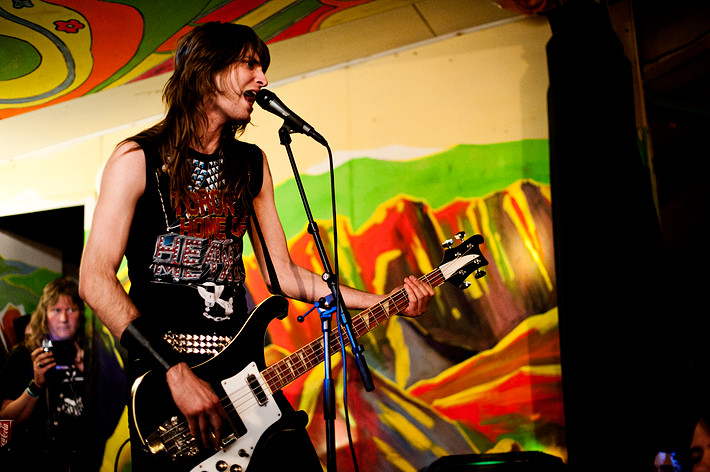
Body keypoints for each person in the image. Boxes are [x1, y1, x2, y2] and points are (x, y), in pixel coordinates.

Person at [78, 21, 434, 471]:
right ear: (207, 71)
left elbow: (282, 275)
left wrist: (385, 302)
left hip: (246, 378)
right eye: (250, 64)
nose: (263, 79)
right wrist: (175, 372)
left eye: (263, 67)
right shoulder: (136, 159)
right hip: (167, 392)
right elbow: (94, 281)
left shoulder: (251, 164)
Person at [0, 277, 101, 471]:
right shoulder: (23, 355)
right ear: (44, 315)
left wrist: (90, 373)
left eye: (70, 310)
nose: (63, 319)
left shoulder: (94, 356)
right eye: (56, 310)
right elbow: (5, 422)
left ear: (80, 315)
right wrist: (36, 384)